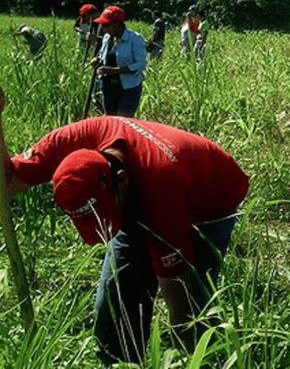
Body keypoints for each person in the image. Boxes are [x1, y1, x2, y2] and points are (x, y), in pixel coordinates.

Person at [0, 99, 249, 366]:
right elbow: (7, 182)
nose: (103, 234)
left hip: (212, 198)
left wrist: (182, 359)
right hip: (149, 186)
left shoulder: (159, 197)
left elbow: (178, 300)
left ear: (121, 181)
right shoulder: (72, 140)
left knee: (194, 307)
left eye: (105, 218)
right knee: (114, 302)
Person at [90, 6, 147, 117]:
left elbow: (141, 64)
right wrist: (97, 60)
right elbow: (103, 56)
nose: (103, 28)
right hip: (108, 87)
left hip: (128, 88)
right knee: (110, 120)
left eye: (106, 25)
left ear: (117, 24)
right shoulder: (107, 37)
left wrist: (115, 71)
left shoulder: (135, 39)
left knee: (123, 121)